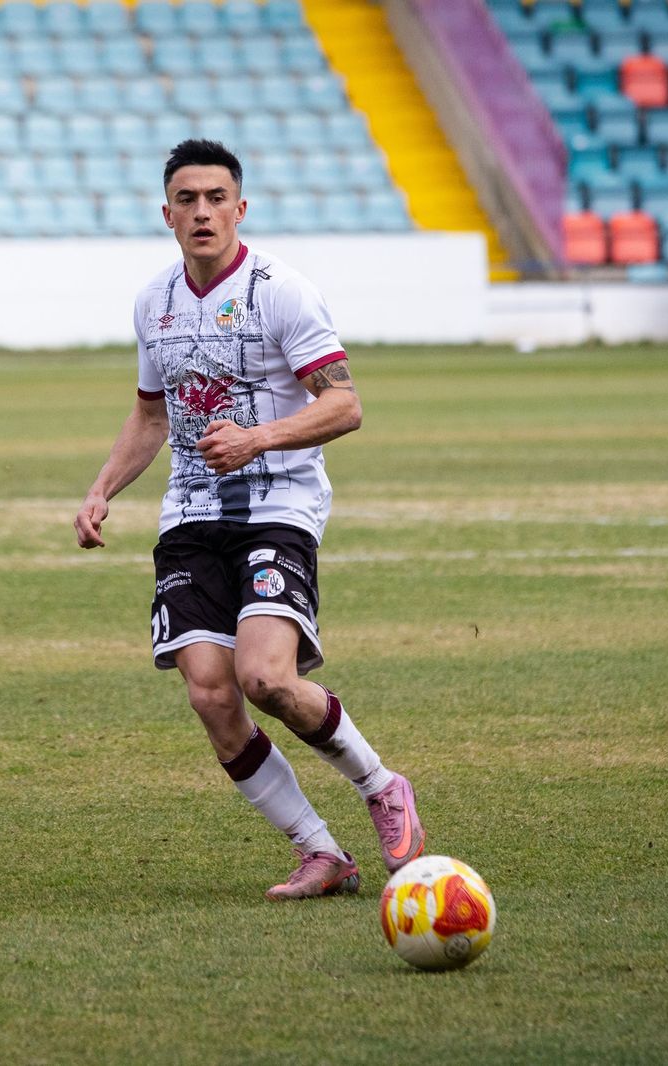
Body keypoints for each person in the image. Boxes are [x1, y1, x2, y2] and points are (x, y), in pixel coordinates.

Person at [73, 139, 425, 901]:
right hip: (190, 512)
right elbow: (149, 415)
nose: (202, 212)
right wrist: (103, 488)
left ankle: (380, 783)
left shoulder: (282, 291)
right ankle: (319, 852)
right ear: (166, 214)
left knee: (264, 677)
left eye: (215, 198)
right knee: (209, 690)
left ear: (241, 207)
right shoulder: (153, 302)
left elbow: (345, 403)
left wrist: (258, 437)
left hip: (280, 503)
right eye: (187, 200)